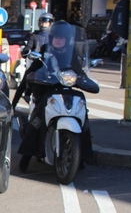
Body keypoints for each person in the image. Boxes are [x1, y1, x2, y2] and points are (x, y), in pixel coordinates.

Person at [13, 21, 93, 171]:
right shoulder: (45, 52)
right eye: (55, 37)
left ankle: (82, 156)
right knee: (37, 120)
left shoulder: (72, 53)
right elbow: (33, 70)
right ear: (51, 38)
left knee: (84, 115)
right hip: (46, 91)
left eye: (61, 38)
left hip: (66, 91)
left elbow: (79, 72)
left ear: (67, 39)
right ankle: (26, 157)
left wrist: (85, 80)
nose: (58, 40)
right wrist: (33, 76)